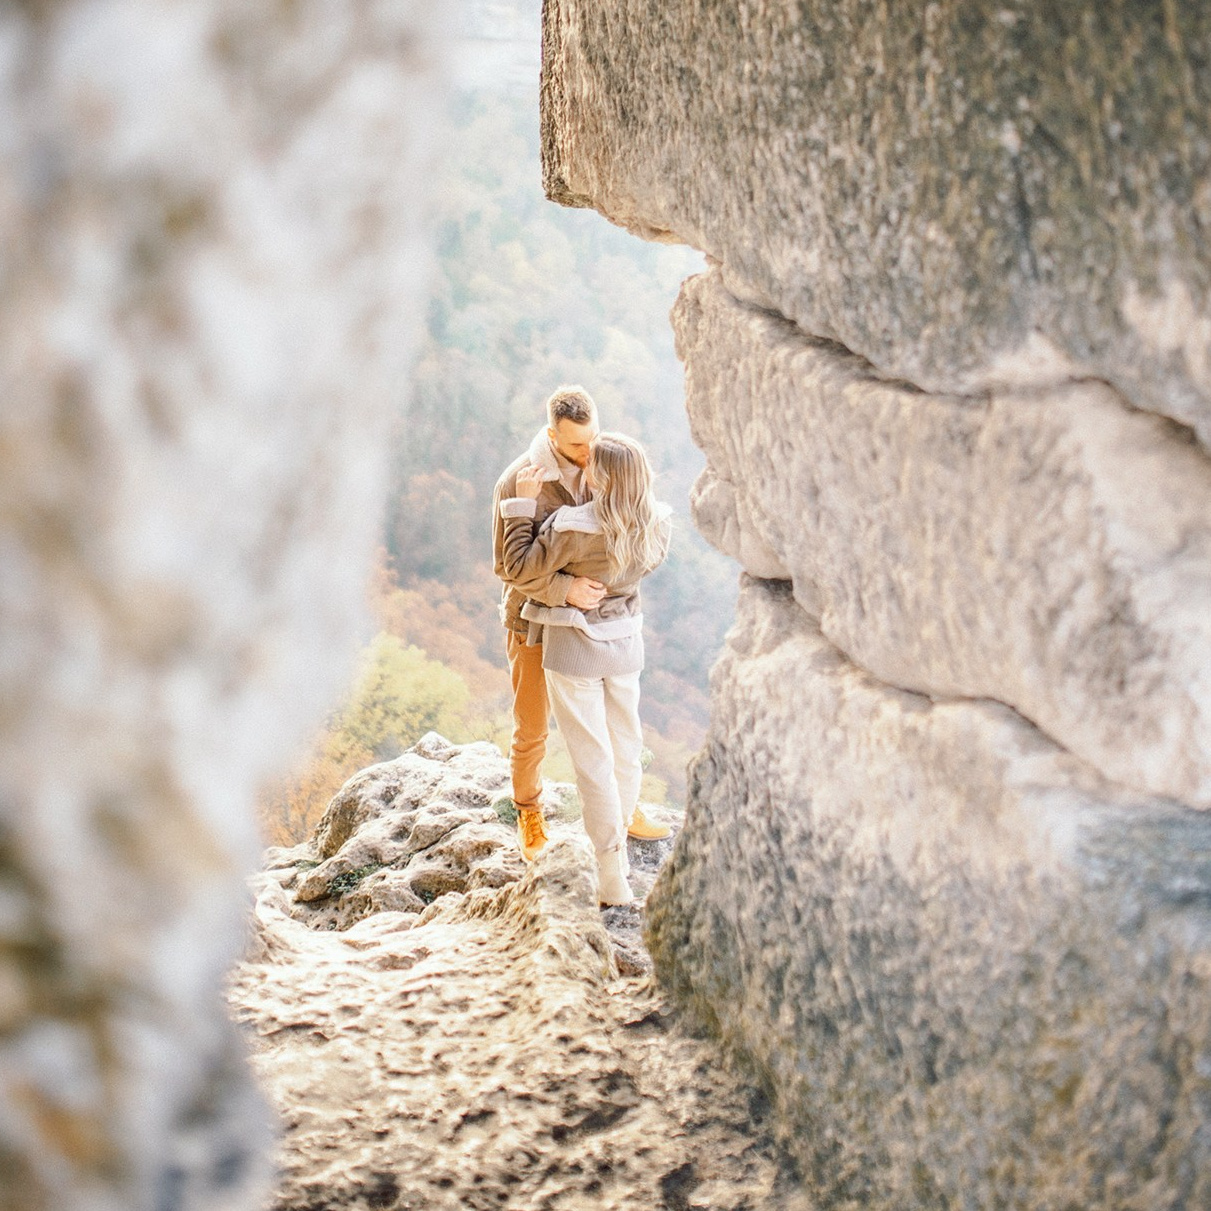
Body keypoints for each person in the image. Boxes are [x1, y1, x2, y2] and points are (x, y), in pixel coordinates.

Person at [497, 432, 672, 906]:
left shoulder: (570, 525)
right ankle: (623, 845)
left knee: (593, 763)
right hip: (625, 645)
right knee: (626, 749)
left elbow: (516, 565)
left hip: (575, 649)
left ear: (603, 476)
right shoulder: (656, 523)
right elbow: (643, 570)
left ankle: (612, 876)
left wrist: (520, 507)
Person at [492, 386, 607, 863]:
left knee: (602, 720)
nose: (588, 452)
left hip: (588, 620)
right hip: (532, 623)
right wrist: (565, 590)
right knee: (533, 726)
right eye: (577, 445)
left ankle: (620, 803)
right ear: (551, 435)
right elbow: (507, 566)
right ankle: (528, 812)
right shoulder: (518, 482)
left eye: (593, 438)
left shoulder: (603, 461)